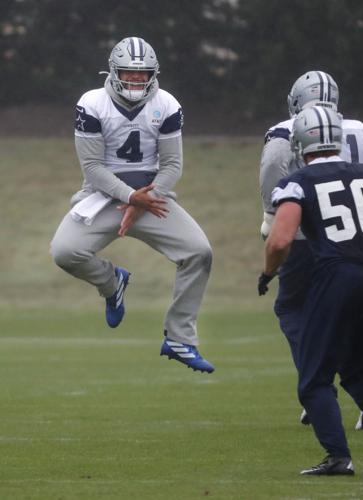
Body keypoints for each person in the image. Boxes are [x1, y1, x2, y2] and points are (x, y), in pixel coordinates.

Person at [258, 105, 363, 475]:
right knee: (361, 371)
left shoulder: (298, 182)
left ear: (301, 144)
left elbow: (280, 239)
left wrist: (268, 273)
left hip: (337, 279)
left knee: (315, 379)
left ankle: (339, 457)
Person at [50, 36, 214, 373]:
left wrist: (145, 200)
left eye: (142, 74)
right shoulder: (92, 103)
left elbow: (172, 166)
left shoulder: (166, 104)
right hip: (104, 197)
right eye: (129, 73)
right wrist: (130, 197)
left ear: (153, 74)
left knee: (199, 252)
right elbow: (93, 169)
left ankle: (180, 338)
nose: (136, 80)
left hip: (152, 198)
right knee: (64, 251)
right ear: (113, 71)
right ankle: (112, 283)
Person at [259, 70, 363, 429]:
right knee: (362, 320)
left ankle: (316, 390)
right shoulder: (362, 131)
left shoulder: (283, 130)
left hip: (307, 242)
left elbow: (273, 168)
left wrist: (272, 217)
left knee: (293, 309)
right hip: (362, 242)